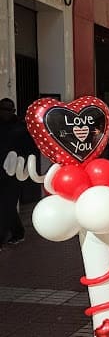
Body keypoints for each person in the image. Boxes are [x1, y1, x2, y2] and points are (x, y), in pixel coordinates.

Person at [0, 98, 36, 248]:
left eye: (9, 110)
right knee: (5, 206)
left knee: (6, 205)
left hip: (13, 172)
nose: (5, 113)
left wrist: (22, 165)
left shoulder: (21, 128)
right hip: (1, 171)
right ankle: (18, 232)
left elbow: (30, 149)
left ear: (13, 111)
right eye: (3, 109)